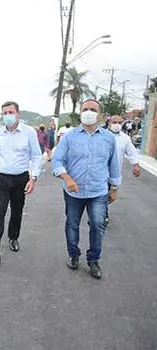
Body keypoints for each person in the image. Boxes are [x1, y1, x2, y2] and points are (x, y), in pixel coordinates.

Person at [52, 99, 121, 279]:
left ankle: (93, 260)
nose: (88, 112)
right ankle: (73, 255)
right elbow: (57, 161)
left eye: (92, 109)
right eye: (85, 109)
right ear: (80, 112)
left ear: (100, 115)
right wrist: (67, 178)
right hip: (73, 192)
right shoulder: (69, 137)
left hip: (98, 191)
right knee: (72, 224)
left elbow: (114, 164)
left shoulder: (108, 138)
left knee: (98, 225)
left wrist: (114, 187)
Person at [0, 101, 43, 263]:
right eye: (5, 113)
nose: (8, 116)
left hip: (20, 178)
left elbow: (36, 156)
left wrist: (33, 178)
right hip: (1, 179)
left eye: (11, 112)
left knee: (16, 211)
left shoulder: (28, 132)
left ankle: (13, 237)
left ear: (18, 114)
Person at [106, 115, 140, 223]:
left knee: (112, 196)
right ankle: (102, 215)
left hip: (114, 173)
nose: (117, 124)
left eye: (119, 122)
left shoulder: (125, 138)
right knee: (101, 194)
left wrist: (135, 165)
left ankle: (98, 210)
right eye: (114, 122)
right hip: (100, 172)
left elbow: (131, 152)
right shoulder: (102, 135)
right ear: (109, 123)